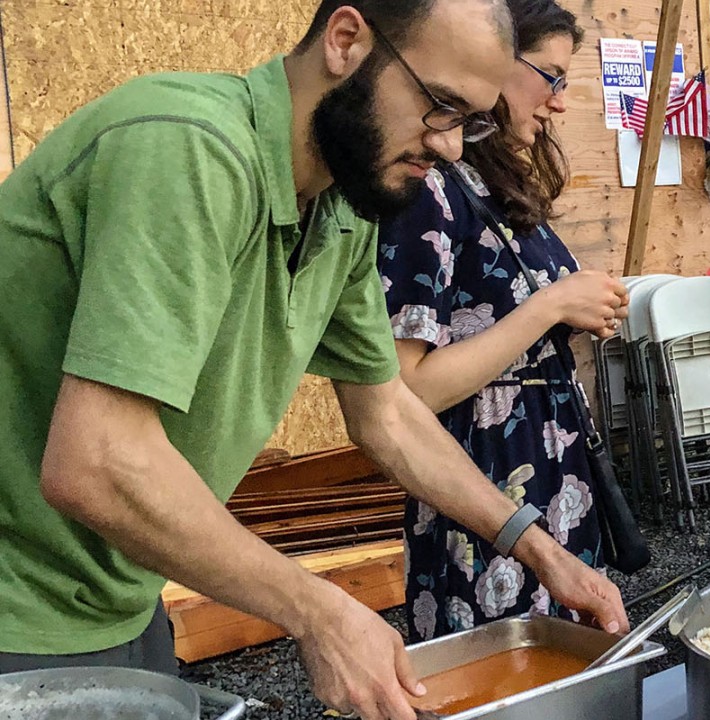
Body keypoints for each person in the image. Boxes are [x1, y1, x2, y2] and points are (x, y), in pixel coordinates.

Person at [0, 2, 627, 718]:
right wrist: (318, 609)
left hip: (121, 597)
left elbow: (386, 412)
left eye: (469, 121)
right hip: (16, 611)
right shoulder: (188, 148)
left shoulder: (341, 204)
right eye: (439, 106)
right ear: (345, 40)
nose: (451, 148)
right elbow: (97, 461)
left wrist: (539, 550)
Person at [378, 0, 629, 642]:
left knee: (570, 658)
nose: (558, 102)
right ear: (494, 64)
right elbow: (411, 387)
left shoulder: (498, 190)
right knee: (505, 672)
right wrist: (549, 306)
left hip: (554, 465)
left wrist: (581, 305)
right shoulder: (430, 189)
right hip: (485, 479)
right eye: (550, 76)